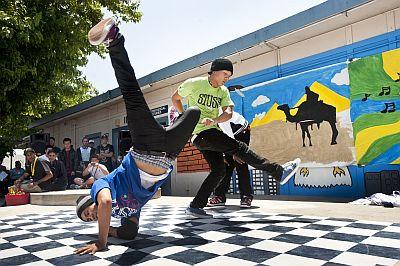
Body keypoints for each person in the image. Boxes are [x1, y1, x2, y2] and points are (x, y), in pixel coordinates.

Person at [74, 18, 200, 255]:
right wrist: (110, 230)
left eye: (87, 213)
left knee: (131, 93)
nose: (90, 216)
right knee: (194, 113)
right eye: (89, 220)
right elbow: (130, 233)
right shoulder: (124, 212)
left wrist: (101, 242)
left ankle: (114, 40)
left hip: (145, 147)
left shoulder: (100, 188)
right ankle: (174, 120)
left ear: (89, 202)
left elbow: (106, 203)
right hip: (169, 154)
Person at [172, 58, 301, 218]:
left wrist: (215, 120)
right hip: (201, 134)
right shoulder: (194, 83)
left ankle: (195, 206)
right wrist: (184, 116)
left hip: (211, 132)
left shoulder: (223, 91)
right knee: (240, 148)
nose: (226, 78)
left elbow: (228, 113)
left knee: (219, 170)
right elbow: (175, 98)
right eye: (225, 74)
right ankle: (278, 172)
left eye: (229, 76)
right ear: (214, 71)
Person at [208, 110, 254, 208]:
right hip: (227, 134)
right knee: (225, 165)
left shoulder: (216, 115)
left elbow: (227, 134)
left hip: (241, 131)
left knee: (240, 161)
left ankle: (246, 196)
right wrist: (223, 156)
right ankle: (219, 196)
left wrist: (235, 152)